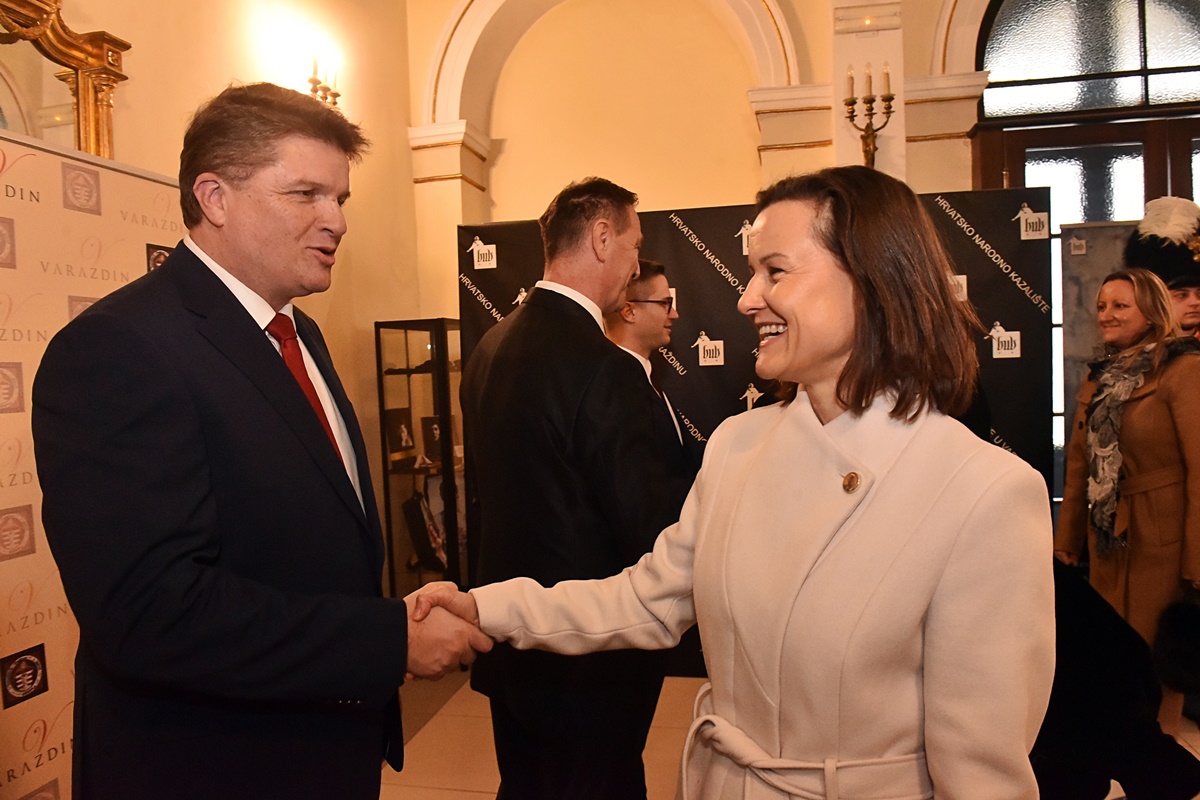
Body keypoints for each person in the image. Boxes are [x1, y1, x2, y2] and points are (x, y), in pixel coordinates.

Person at [426, 165, 1056, 799]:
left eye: (775, 272)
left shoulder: (986, 493)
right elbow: (645, 599)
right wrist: (486, 607)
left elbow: (981, 777)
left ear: (872, 284)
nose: (746, 298)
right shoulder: (737, 445)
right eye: (753, 272)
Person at [31, 83, 490, 800]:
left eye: (340, 198)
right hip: (209, 767)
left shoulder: (298, 332)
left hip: (321, 749)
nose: (337, 221)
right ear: (214, 197)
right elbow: (149, 612)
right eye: (306, 194)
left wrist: (394, 612)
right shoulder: (118, 348)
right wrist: (386, 639)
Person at [461, 177, 694, 799]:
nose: (636, 266)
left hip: (511, 646)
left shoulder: (489, 347)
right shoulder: (606, 368)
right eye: (634, 246)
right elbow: (646, 529)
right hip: (587, 660)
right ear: (601, 237)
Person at [1055, 267, 1200, 730]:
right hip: (1108, 537)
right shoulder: (1098, 377)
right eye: (1102, 306)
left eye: (1120, 306)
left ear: (1152, 312)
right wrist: (1067, 541)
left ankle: (1162, 743)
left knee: (1158, 650)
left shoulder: (1184, 369)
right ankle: (1123, 743)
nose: (1107, 315)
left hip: (1164, 535)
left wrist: (1196, 560)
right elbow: (1079, 465)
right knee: (1110, 646)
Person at [603, 258, 685, 447]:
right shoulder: (610, 389)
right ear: (629, 311)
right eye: (665, 303)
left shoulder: (645, 378)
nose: (674, 314)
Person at [1124, 196, 1200, 340]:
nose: (1195, 302)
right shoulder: (1136, 348)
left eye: (1199, 294)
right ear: (1155, 299)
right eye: (1182, 295)